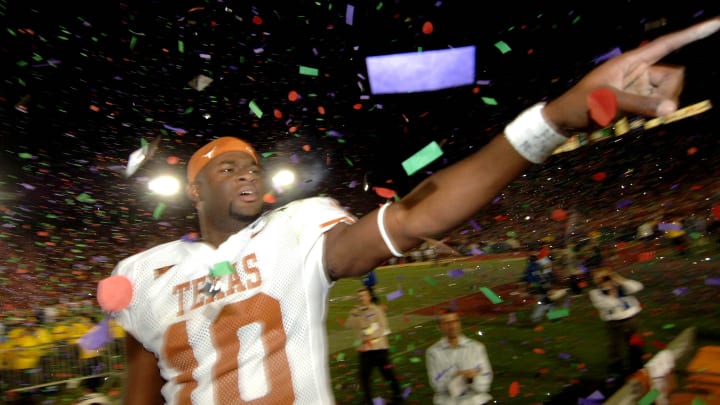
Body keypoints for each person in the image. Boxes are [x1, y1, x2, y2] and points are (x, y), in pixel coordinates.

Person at [104, 17, 720, 404]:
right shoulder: (144, 272)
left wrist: (555, 117)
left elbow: (416, 216)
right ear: (195, 192)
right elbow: (142, 394)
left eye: (252, 164)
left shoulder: (295, 227)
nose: (248, 173)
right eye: (227, 169)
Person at [345, 287, 403, 404]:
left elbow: (384, 328)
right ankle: (367, 399)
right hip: (364, 350)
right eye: (359, 296)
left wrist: (370, 336)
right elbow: (348, 325)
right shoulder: (357, 312)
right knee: (364, 376)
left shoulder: (377, 310)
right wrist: (354, 313)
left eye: (364, 295)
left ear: (369, 297)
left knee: (387, 374)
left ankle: (398, 395)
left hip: (379, 349)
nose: (361, 298)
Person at [425, 308, 493, 405]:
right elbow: (437, 385)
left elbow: (485, 384)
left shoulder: (477, 348)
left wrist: (471, 380)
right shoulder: (433, 353)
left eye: (454, 321)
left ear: (459, 323)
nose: (452, 326)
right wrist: (459, 378)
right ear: (439, 327)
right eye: (447, 323)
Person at [588, 267, 645, 379]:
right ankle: (617, 371)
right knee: (615, 348)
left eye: (605, 276)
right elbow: (608, 304)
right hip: (613, 323)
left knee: (635, 344)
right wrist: (610, 292)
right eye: (598, 278)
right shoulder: (595, 293)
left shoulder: (622, 286)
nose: (603, 280)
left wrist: (619, 279)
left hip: (630, 319)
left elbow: (638, 287)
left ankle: (637, 367)